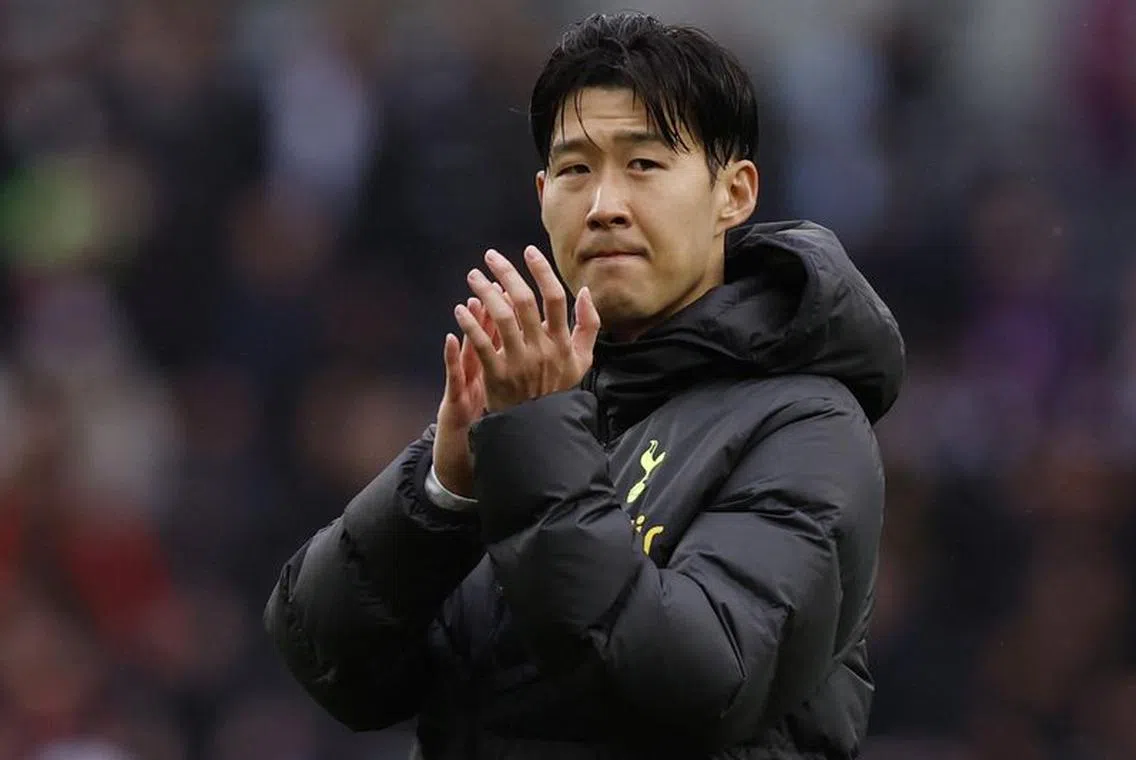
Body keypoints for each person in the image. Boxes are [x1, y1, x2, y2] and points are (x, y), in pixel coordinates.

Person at [265, 11, 905, 759]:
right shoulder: (534, 399)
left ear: (734, 193)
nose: (603, 205)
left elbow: (699, 684)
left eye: (643, 164)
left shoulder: (807, 425)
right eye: (574, 170)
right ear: (541, 195)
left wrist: (536, 441)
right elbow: (332, 665)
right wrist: (442, 489)